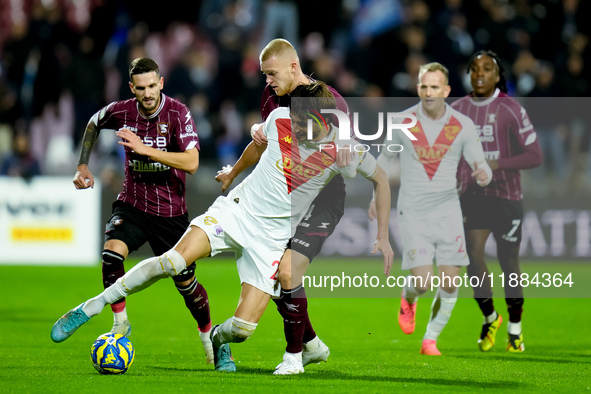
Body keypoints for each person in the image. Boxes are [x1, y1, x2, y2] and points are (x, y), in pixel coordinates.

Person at [51, 81, 394, 374]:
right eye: (297, 121)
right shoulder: (280, 119)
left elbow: (382, 179)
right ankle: (92, 306)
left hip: (272, 239)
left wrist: (382, 233)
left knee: (243, 330)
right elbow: (256, 146)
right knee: (175, 261)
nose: (299, 129)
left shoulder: (346, 151)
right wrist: (232, 174)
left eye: (307, 124)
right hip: (237, 212)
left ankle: (217, 338)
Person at [64, 57, 214, 364]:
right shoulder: (123, 111)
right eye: (140, 88)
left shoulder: (178, 113)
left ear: (161, 83)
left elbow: (193, 162)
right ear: (132, 87)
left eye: (151, 86)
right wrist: (82, 164)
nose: (147, 94)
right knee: (111, 254)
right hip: (133, 204)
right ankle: (120, 322)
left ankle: (208, 335)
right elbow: (94, 122)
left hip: (171, 214)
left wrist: (145, 149)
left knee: (187, 286)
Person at [219, 38, 352, 374]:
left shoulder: (329, 100)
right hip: (283, 200)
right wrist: (234, 172)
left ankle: (295, 357)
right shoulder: (271, 97)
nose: (267, 82)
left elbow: (348, 149)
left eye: (272, 74)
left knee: (287, 272)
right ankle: (311, 345)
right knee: (278, 276)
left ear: (294, 67)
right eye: (265, 75)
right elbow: (265, 145)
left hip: (322, 199)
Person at [369, 62, 492, 355]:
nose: (428, 92)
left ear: (446, 90)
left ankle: (430, 339)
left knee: (450, 281)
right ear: (418, 88)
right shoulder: (402, 121)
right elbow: (385, 160)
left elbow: (480, 163)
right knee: (423, 282)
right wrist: (376, 195)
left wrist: (484, 174)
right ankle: (409, 299)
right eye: (424, 86)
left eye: (435, 87)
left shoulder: (462, 125)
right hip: (412, 211)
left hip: (449, 210)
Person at [452, 50, 543, 353]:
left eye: (487, 69)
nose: (479, 73)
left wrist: (496, 163)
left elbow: (534, 155)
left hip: (506, 196)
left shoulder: (511, 109)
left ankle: (515, 329)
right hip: (473, 196)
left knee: (509, 263)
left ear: (497, 76)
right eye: (475, 68)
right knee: (474, 258)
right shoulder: (459, 108)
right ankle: (491, 316)